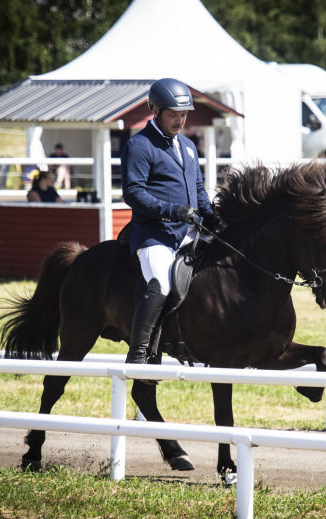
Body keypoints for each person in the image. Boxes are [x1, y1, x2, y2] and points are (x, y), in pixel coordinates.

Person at [120, 78, 218, 367]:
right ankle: (138, 354)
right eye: (173, 115)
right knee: (160, 283)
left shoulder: (187, 146)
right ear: (155, 110)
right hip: (155, 236)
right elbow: (133, 193)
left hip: (189, 233)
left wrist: (212, 215)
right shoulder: (139, 145)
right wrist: (173, 211)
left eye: (184, 114)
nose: (180, 120)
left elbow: (198, 190)